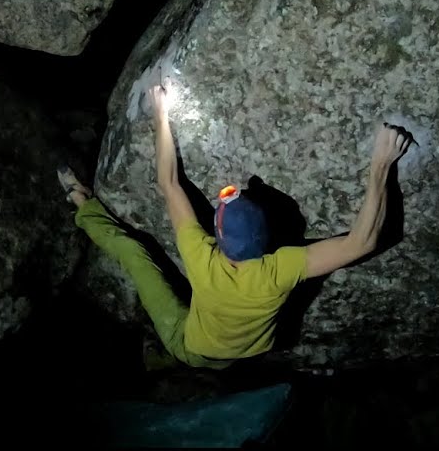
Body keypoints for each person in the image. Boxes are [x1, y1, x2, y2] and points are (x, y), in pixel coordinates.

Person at [58, 80, 411, 368]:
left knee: (136, 254)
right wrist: (382, 163)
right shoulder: (277, 270)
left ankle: (83, 205)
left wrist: (161, 114)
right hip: (241, 354)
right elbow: (362, 242)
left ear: (217, 235)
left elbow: (168, 183)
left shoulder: (201, 257)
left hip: (190, 345)